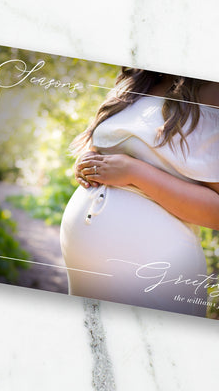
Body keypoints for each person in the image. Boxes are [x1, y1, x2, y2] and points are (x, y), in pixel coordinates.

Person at [60, 68, 219, 316]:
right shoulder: (139, 78)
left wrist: (136, 173)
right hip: (85, 272)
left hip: (157, 273)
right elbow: (104, 145)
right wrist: (87, 161)